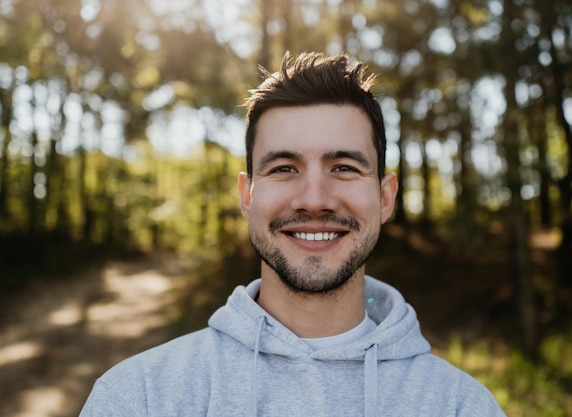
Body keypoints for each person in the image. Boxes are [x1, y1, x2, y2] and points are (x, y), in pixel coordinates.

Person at [79, 51, 507, 416]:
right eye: (284, 169)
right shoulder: (140, 399)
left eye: (344, 168)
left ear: (385, 197)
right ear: (247, 196)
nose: (314, 199)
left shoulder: (461, 407)